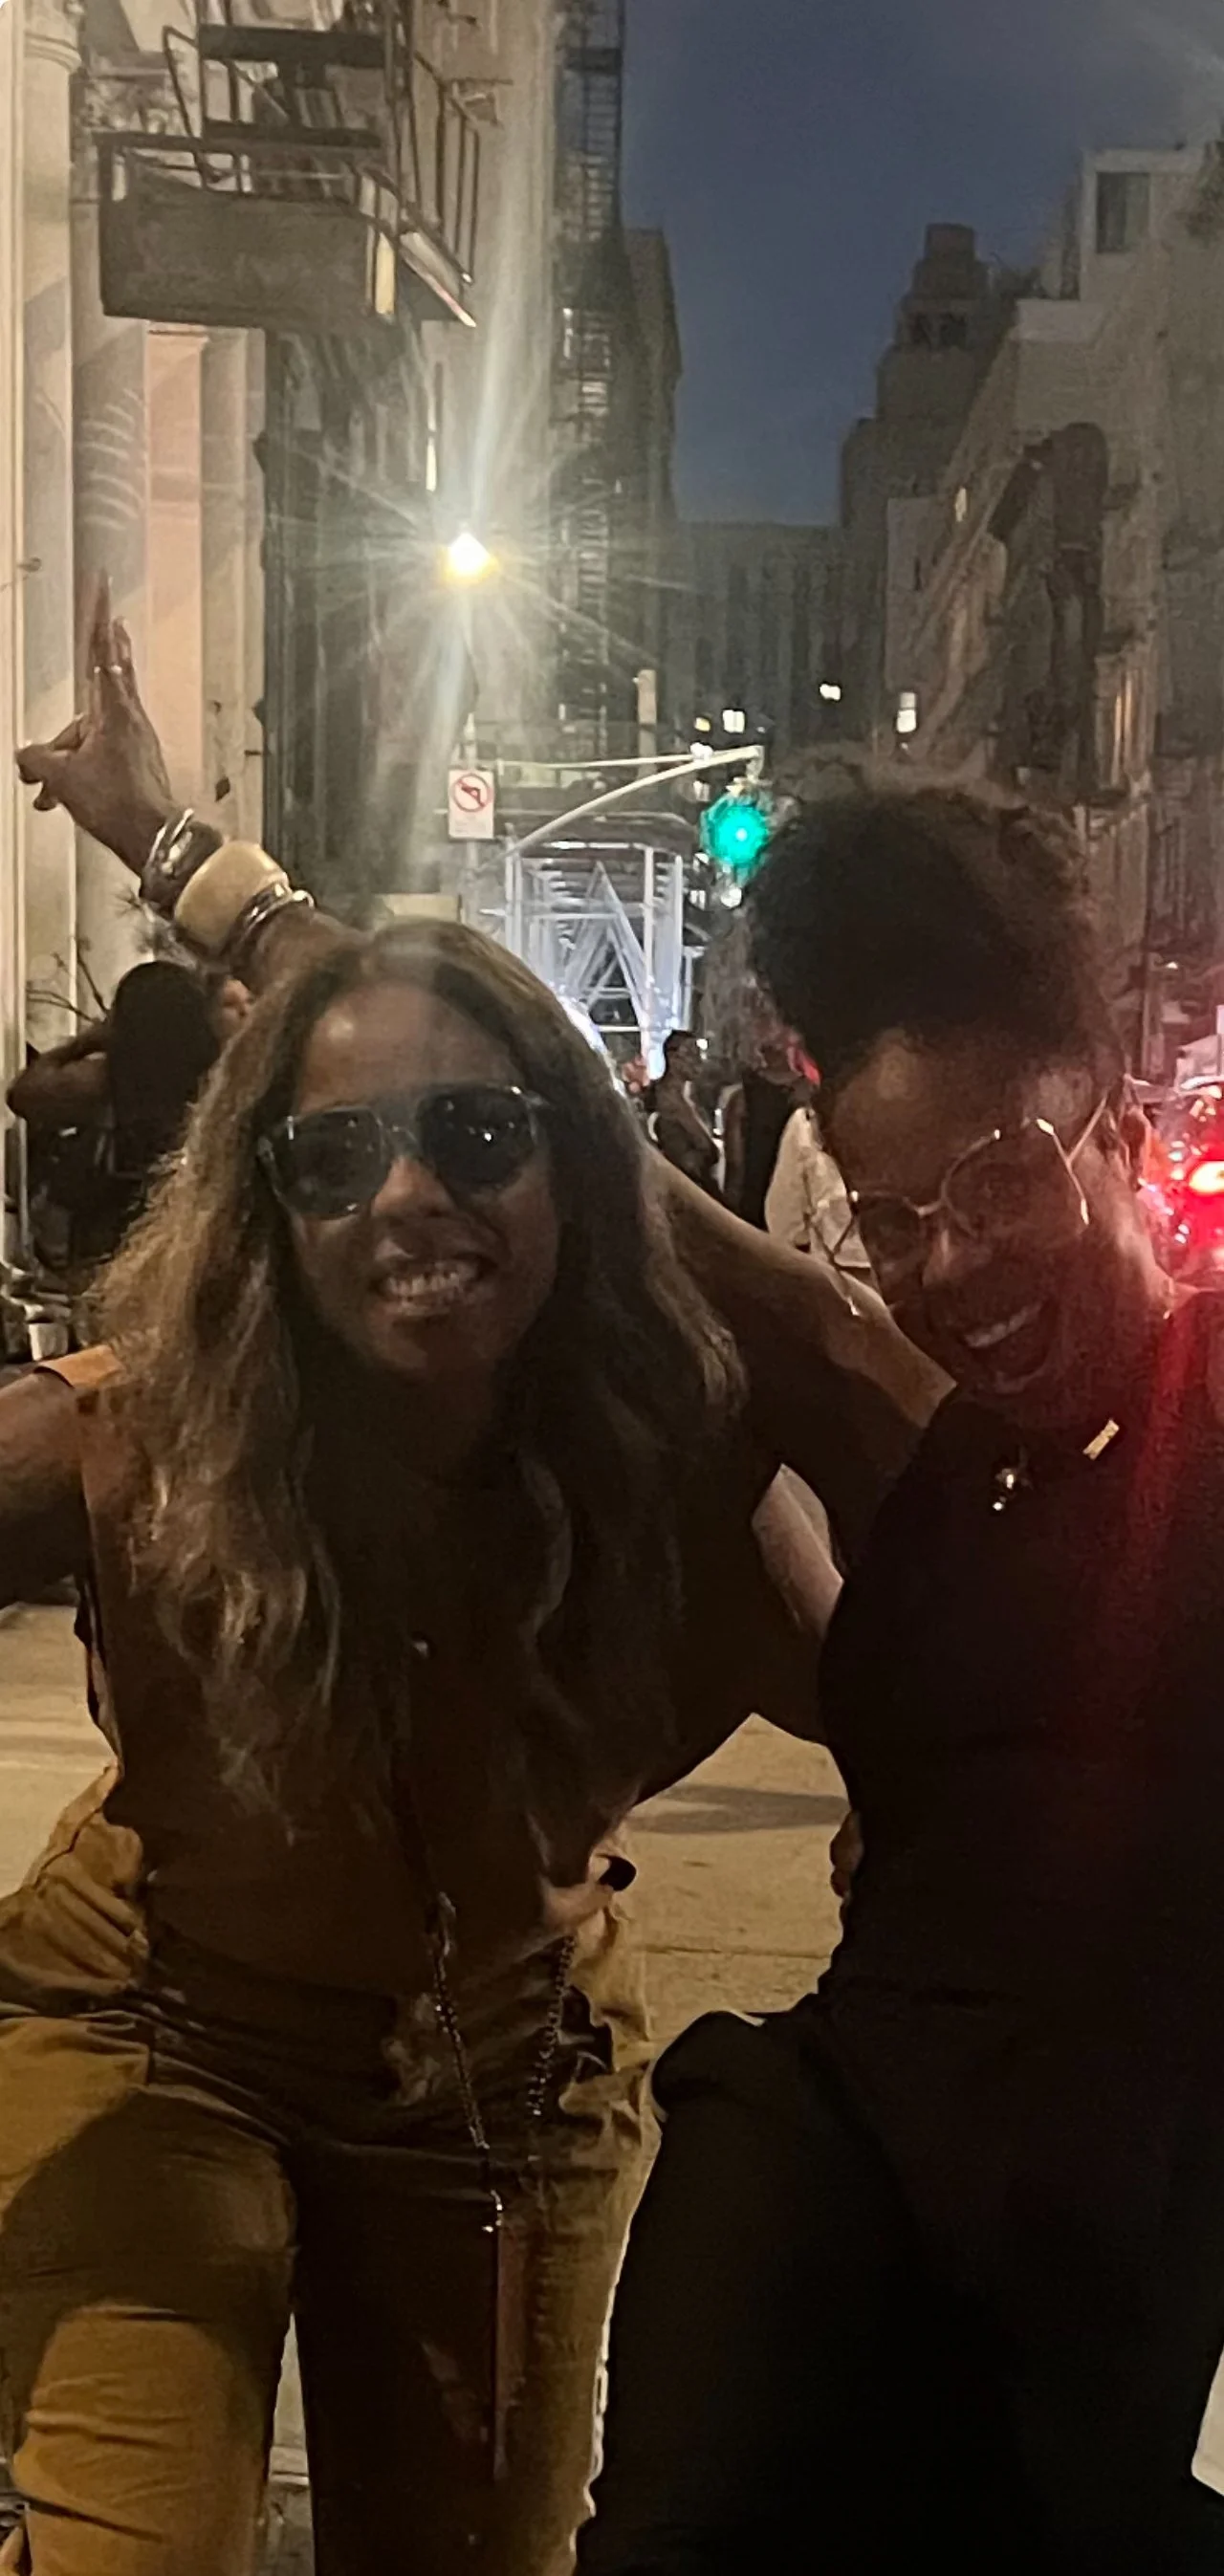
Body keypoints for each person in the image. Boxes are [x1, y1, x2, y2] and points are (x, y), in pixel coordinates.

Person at [0, 609, 842, 2576]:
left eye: (473, 1136)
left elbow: (941, 1692)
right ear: (262, 1209)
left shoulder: (682, 1479)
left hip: (499, 2088)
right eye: (334, 1159)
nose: (405, 1199)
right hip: (153, 2024)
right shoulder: (137, 1431)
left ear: (574, 1173)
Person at [580, 783, 1224, 2575]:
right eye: (897, 1213)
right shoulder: (965, 1474)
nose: (956, 1262)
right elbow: (764, 1301)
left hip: (1089, 2266)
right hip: (830, 2174)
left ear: (1103, 1101)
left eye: (1000, 1182)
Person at [9, 960, 248, 1280]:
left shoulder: (108, 1081)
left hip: (107, 1253)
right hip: (186, 1250)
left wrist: (92, 1038)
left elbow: (24, 1094)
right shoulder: (222, 1084)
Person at [720, 1019, 807, 1229]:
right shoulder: (810, 1093)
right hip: (801, 1208)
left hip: (755, 1208)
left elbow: (735, 1165)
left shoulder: (743, 1097)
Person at [649, 1032, 720, 1195]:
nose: (699, 1061)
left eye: (699, 1054)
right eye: (691, 1054)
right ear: (673, 1058)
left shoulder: (694, 1097)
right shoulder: (660, 1103)